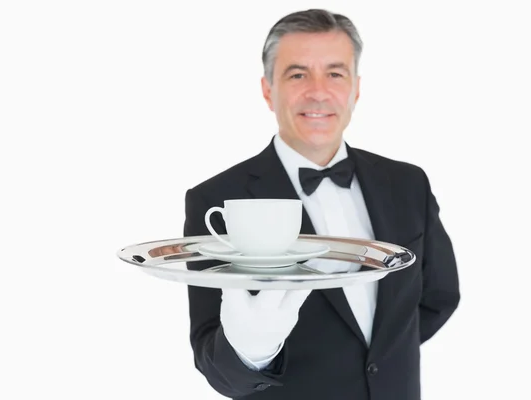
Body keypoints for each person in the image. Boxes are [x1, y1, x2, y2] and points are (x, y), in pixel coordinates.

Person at [182, 9, 460, 400]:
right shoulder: (216, 199)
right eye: (297, 75)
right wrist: (252, 349)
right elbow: (216, 366)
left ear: (356, 88)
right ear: (267, 90)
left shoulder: (408, 182)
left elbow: (439, 297)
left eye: (335, 73)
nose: (317, 91)